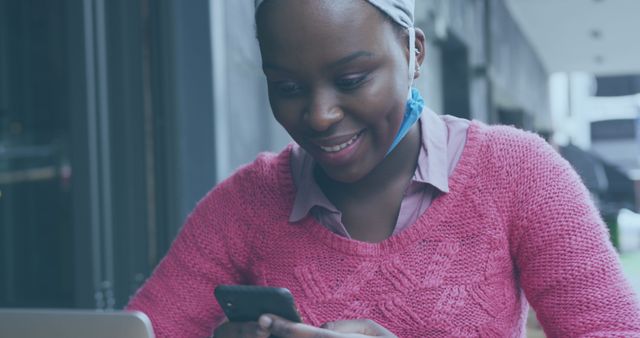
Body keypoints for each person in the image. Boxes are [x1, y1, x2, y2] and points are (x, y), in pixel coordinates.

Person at [126, 0, 640, 337]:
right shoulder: (244, 206)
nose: (319, 114)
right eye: (287, 88)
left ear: (413, 52)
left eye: (351, 79)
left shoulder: (520, 175)